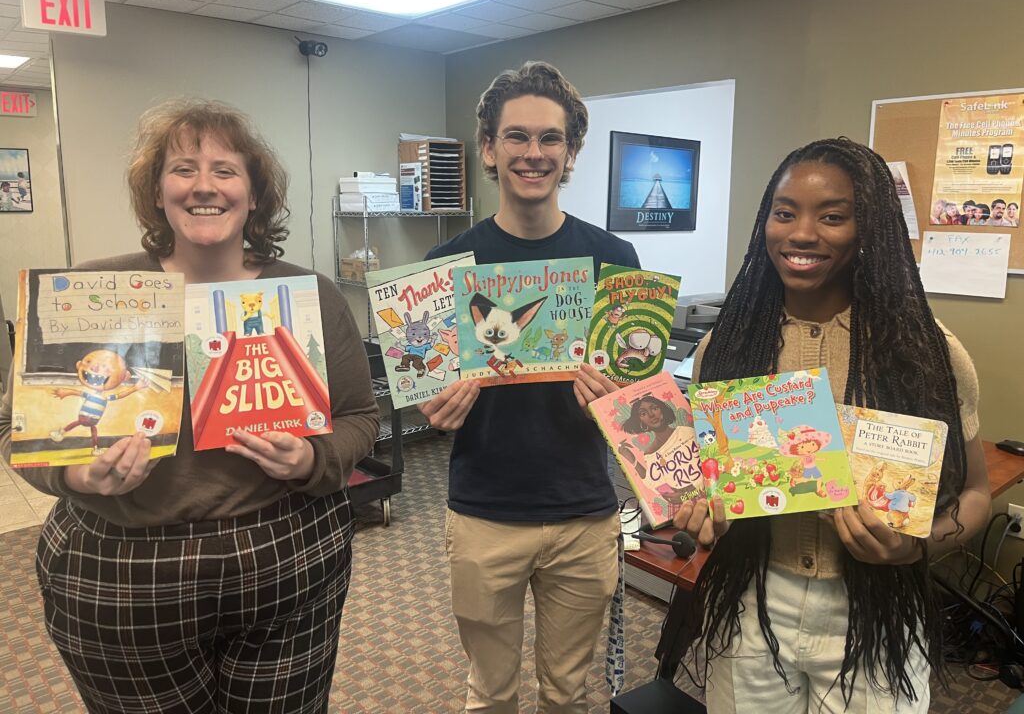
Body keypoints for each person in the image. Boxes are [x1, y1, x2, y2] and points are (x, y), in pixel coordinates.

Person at [0, 99, 380, 714]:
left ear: (254, 195)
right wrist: (74, 475)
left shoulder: (308, 296)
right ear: (157, 192)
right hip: (124, 568)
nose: (205, 186)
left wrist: (314, 458)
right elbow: (15, 426)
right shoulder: (95, 290)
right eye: (183, 169)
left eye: (225, 170)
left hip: (286, 552)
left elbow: (360, 417)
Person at [673, 138, 990, 713]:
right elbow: (708, 478)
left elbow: (976, 494)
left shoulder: (927, 351)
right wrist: (699, 506)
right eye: (784, 212)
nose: (801, 233)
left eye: (832, 217)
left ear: (869, 229)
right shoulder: (726, 347)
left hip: (874, 611)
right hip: (751, 603)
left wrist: (913, 549)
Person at [417, 61, 640, 713]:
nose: (533, 152)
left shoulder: (615, 258)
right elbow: (427, 394)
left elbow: (641, 401)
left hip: (583, 510)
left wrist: (618, 399)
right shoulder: (444, 266)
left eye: (550, 138)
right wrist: (437, 406)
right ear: (489, 149)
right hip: (484, 512)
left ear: (571, 151)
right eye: (516, 136)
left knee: (568, 693)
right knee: (490, 693)